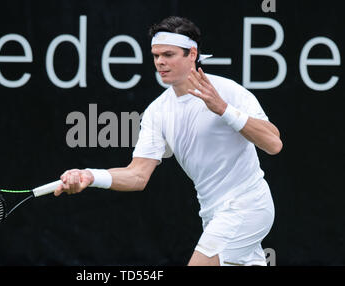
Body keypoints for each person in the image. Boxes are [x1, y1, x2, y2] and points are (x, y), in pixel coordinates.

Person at [54, 16, 282, 266]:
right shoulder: (157, 111)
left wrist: (223, 109)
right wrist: (90, 175)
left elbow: (273, 144)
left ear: (192, 54)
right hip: (213, 214)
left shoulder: (228, 92)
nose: (160, 62)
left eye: (169, 54)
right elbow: (138, 176)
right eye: (156, 55)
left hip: (247, 205)